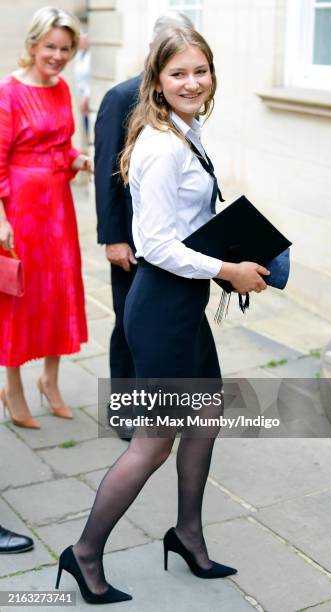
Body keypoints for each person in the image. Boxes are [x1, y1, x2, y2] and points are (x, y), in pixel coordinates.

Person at [56, 26, 269, 605]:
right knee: (153, 441)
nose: (191, 82)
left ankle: (187, 534)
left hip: (183, 303)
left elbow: (184, 226)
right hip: (162, 306)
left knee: (205, 418)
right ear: (157, 80)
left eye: (200, 70)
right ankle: (84, 554)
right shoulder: (160, 143)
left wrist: (238, 247)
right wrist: (229, 271)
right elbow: (155, 244)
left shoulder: (187, 130)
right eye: (178, 73)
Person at [94, 11, 193, 440]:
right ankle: (123, 410)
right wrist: (112, 237)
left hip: (171, 240)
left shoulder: (181, 100)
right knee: (128, 322)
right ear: (153, 48)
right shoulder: (121, 96)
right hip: (132, 239)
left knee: (161, 328)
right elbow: (106, 173)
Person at [0, 7, 92, 429]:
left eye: (65, 48)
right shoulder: (9, 92)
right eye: (50, 47)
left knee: (58, 291)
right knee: (18, 296)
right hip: (19, 207)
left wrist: (79, 159)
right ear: (33, 44)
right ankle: (13, 386)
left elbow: (62, 146)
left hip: (58, 207)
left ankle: (50, 382)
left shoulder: (61, 89)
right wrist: (1, 219)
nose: (57, 56)